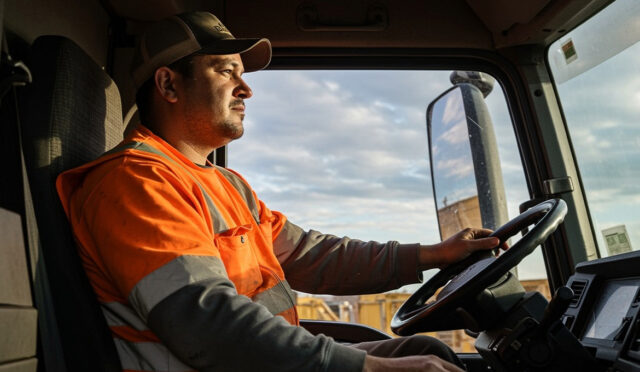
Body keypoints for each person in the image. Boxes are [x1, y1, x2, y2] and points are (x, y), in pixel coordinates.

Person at [56, 11, 501, 372]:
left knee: (428, 351)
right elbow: (206, 322)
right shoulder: (135, 182)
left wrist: (431, 255)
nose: (246, 87)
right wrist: (365, 369)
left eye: (242, 73)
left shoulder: (224, 183)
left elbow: (310, 254)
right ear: (169, 84)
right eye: (226, 71)